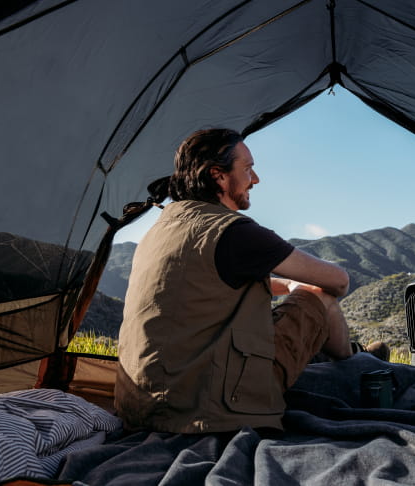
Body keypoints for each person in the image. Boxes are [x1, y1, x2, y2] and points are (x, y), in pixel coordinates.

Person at [114, 128, 385, 435]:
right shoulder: (233, 231)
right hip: (206, 412)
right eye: (247, 169)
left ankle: (336, 356)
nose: (255, 179)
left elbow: (214, 280)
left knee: (282, 303)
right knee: (320, 298)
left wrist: (288, 286)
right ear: (218, 176)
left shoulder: (165, 227)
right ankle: (357, 366)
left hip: (140, 406)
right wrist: (302, 288)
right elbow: (339, 281)